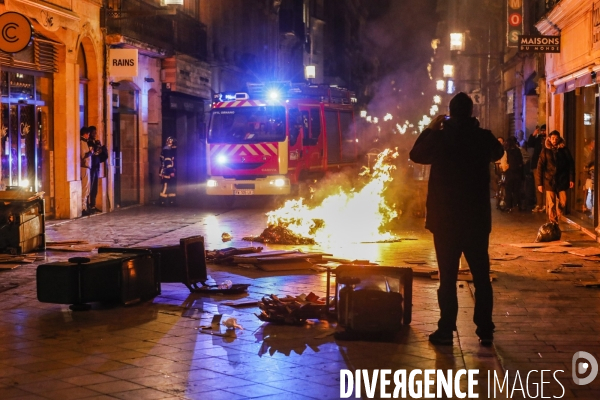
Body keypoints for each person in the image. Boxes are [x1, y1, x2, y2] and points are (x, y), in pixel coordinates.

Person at [409, 92, 504, 346]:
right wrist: (482, 130)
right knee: (481, 277)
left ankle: (446, 328)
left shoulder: (440, 138)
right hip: (475, 220)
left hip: (446, 220)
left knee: (447, 278)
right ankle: (485, 329)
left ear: (450, 112)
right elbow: (498, 151)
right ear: (471, 112)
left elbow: (415, 154)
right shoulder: (482, 138)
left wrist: (431, 127)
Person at [535, 130, 574, 225]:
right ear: (549, 139)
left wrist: (571, 178)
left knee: (563, 201)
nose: (554, 140)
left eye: (556, 139)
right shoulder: (545, 151)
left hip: (562, 179)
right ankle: (553, 222)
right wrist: (539, 183)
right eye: (553, 138)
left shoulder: (564, 150)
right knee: (551, 203)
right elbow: (540, 167)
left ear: (559, 139)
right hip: (549, 180)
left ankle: (558, 212)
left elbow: (570, 165)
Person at [528, 124, 547, 212]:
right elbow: (530, 144)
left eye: (545, 130)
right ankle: (539, 204)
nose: (543, 132)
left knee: (546, 185)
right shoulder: (538, 139)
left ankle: (545, 204)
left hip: (546, 166)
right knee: (538, 185)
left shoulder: (549, 140)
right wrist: (533, 135)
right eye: (542, 130)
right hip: (536, 165)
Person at [504, 136, 524, 212]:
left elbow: (504, 163)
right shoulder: (518, 151)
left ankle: (509, 206)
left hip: (509, 173)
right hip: (518, 173)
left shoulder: (506, 151)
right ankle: (517, 205)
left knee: (508, 190)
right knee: (516, 190)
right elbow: (521, 162)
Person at [87, 126, 104, 214]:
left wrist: (100, 149)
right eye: (93, 133)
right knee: (90, 186)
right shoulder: (88, 142)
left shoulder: (97, 142)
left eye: (95, 133)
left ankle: (93, 204)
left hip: (97, 165)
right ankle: (88, 205)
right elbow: (91, 152)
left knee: (95, 187)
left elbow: (99, 152)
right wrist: (95, 148)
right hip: (91, 166)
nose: (94, 134)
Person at [159, 136, 177, 206]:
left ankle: (171, 201)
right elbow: (168, 161)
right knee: (166, 186)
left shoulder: (167, 150)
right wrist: (171, 171)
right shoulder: (167, 151)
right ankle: (162, 201)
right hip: (166, 171)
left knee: (170, 186)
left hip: (167, 170)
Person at [80, 127, 92, 216]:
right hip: (84, 167)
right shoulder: (82, 142)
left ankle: (85, 206)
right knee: (84, 188)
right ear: (85, 133)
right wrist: (91, 152)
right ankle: (83, 208)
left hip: (87, 167)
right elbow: (83, 155)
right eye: (88, 134)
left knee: (87, 188)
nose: (89, 136)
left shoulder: (85, 142)